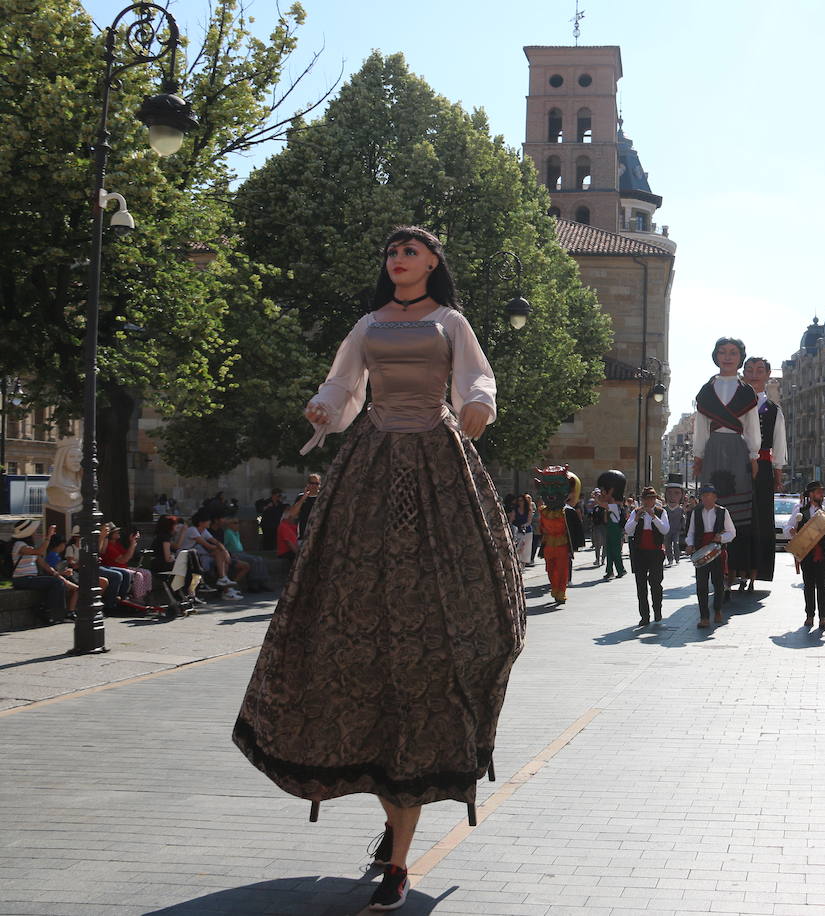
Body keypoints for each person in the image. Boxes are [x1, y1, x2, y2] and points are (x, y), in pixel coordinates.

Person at [232, 225, 525, 912]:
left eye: (411, 252)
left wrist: (478, 404)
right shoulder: (367, 324)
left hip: (437, 458)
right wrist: (325, 408)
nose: (398, 260)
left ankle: (398, 853)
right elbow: (343, 385)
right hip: (369, 462)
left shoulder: (451, 322)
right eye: (392, 253)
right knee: (350, 619)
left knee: (441, 635)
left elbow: (475, 376)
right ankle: (391, 828)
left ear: (433, 263)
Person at [692, 337, 760, 590]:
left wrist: (753, 455)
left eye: (733, 352)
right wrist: (698, 455)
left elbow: (752, 426)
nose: (728, 357)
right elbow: (700, 427)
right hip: (712, 449)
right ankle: (714, 566)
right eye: (723, 352)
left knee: (739, 512)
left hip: (737, 449)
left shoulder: (746, 392)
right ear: (716, 356)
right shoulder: (706, 391)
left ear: (740, 357)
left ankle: (735, 568)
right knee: (713, 504)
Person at [743, 356, 785, 591]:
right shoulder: (735, 406)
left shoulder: (773, 410)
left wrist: (778, 473)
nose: (754, 374)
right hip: (738, 465)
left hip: (764, 466)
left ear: (768, 375)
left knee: (760, 518)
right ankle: (734, 568)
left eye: (760, 370)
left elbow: (778, 444)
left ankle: (757, 569)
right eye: (749, 370)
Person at [784, 481, 825, 628]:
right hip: (806, 551)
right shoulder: (800, 509)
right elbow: (788, 527)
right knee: (808, 584)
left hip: (822, 551)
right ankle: (809, 615)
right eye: (818, 491)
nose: (821, 494)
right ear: (811, 494)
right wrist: (791, 531)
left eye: (822, 491)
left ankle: (823, 617)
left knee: (822, 584)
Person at [686, 484, 735, 628]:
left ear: (715, 497)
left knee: (718, 583)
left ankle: (718, 609)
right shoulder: (696, 512)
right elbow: (691, 532)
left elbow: (732, 532)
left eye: (709, 496)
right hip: (701, 552)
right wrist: (689, 544)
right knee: (701, 586)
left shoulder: (722, 512)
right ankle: (704, 617)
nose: (706, 499)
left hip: (717, 552)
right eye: (703, 496)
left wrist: (721, 538)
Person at [9, 520, 74, 623]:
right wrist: (48, 536)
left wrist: (58, 574)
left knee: (57, 582)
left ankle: (47, 610)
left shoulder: (29, 547)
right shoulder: (19, 545)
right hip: (22, 579)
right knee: (56, 583)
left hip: (30, 578)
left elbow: (43, 564)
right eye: (34, 532)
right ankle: (56, 614)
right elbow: (40, 552)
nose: (36, 534)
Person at [626, 487, 670, 625]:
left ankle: (657, 611)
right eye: (646, 498)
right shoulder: (635, 512)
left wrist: (653, 517)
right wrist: (636, 519)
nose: (648, 501)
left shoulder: (661, 512)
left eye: (651, 498)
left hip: (656, 553)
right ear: (642, 500)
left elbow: (665, 529)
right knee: (641, 586)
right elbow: (628, 530)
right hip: (640, 553)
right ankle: (644, 616)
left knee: (656, 583)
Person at [534, 468, 574, 606]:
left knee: (562, 569)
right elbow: (541, 529)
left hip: (562, 545)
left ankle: (561, 592)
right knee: (550, 569)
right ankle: (555, 588)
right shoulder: (544, 512)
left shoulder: (567, 512)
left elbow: (573, 529)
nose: (550, 492)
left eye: (555, 487)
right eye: (547, 487)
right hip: (549, 545)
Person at [599, 489, 627, 580]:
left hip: (615, 531)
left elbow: (602, 503)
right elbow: (606, 521)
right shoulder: (611, 508)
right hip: (610, 530)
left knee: (615, 552)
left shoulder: (614, 506)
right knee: (609, 552)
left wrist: (597, 497)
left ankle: (620, 570)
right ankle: (610, 571)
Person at [509, 493, 535, 568]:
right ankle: (517, 565)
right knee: (518, 548)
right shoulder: (515, 510)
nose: (520, 502)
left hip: (527, 531)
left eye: (522, 500)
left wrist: (525, 525)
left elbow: (529, 521)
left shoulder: (529, 510)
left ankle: (523, 566)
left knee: (526, 550)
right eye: (519, 500)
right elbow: (512, 520)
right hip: (517, 531)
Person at [664, 484, 687, 566]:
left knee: (676, 543)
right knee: (667, 544)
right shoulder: (664, 509)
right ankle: (670, 559)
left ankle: (677, 558)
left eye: (677, 493)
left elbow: (683, 519)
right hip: (667, 530)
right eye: (669, 493)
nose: (672, 496)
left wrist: (683, 527)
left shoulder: (680, 509)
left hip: (676, 530)